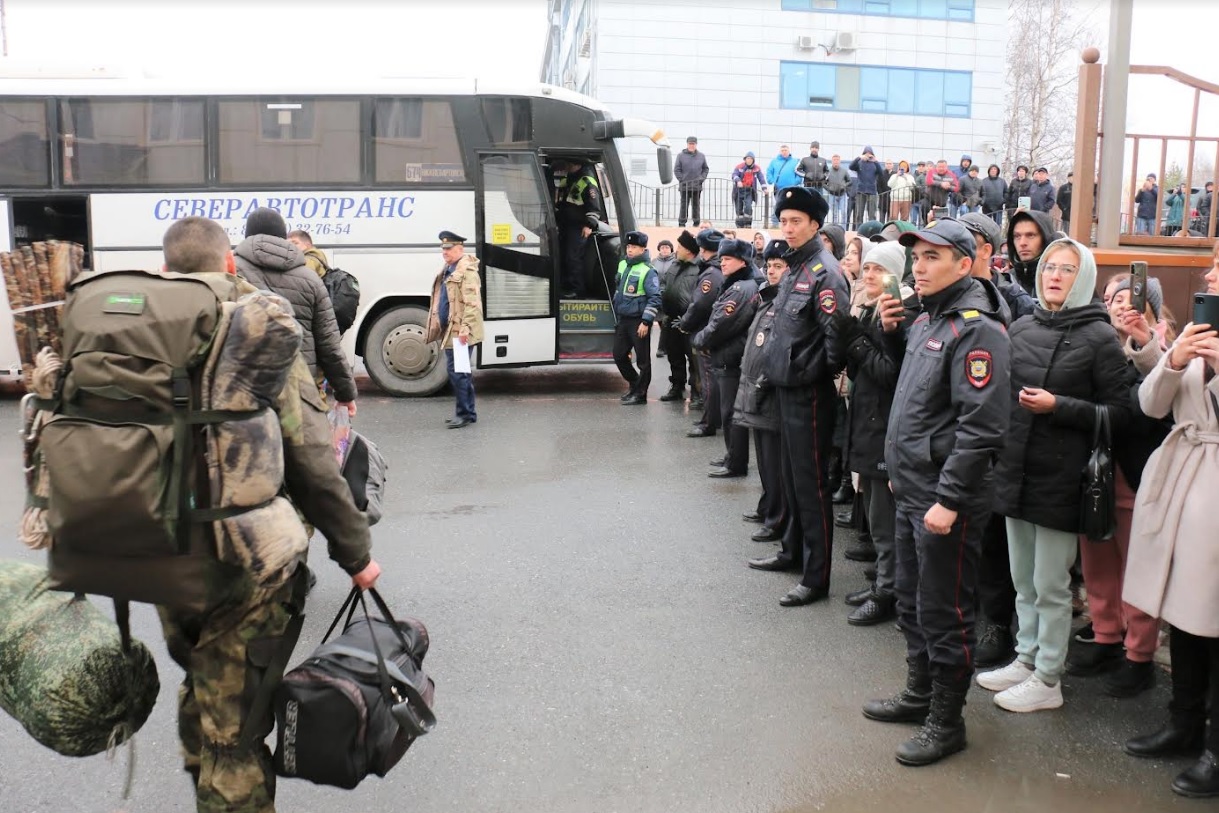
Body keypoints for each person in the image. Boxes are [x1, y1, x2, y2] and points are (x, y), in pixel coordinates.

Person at [158, 216, 381, 813]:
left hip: (159, 560)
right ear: (228, 265)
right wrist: (355, 553)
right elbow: (310, 458)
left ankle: (205, 779)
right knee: (238, 729)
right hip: (244, 560)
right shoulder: (254, 329)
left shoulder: (138, 328)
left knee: (202, 684)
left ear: (165, 270)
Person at [862, 219, 1010, 767]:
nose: (918, 267)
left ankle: (947, 722)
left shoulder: (977, 329)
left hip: (946, 500)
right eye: (916, 257)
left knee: (946, 610)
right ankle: (919, 693)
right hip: (912, 489)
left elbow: (981, 427)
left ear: (965, 264)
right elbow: (917, 399)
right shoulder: (930, 318)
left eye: (931, 258)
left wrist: (948, 500)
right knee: (912, 598)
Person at [977, 238, 1132, 714]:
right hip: (1015, 469)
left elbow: (1123, 413)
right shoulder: (1023, 325)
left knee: (1050, 583)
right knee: (1022, 577)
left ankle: (1048, 677)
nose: (1055, 275)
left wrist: (1058, 406)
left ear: (1083, 277)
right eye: (1049, 267)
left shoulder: (1099, 337)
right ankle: (1025, 659)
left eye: (1067, 269)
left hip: (1064, 478)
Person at [1121, 248, 1219, 798]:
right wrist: (1171, 357)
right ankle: (1184, 723)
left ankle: (1215, 746)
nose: (1209, 274)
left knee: (1215, 618)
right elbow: (1152, 405)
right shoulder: (1202, 327)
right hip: (1182, 479)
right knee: (1184, 613)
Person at [1064, 273, 1172, 696]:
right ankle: (1106, 634)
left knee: (1136, 566)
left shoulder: (1162, 347)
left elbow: (1155, 408)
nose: (1117, 305)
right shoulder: (1097, 343)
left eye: (1127, 296)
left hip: (1139, 470)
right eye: (1109, 297)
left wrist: (1141, 346)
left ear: (1150, 303)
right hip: (1097, 470)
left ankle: (1139, 652)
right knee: (1097, 560)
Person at [746, 187, 848, 608]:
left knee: (810, 486)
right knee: (789, 478)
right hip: (784, 389)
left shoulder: (825, 271)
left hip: (808, 394)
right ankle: (791, 552)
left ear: (814, 224)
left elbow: (836, 338)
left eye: (795, 221)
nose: (787, 229)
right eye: (783, 220)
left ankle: (816, 575)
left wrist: (808, 372)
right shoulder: (793, 269)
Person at [834, 241, 916, 626]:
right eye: (865, 269)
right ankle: (884, 584)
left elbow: (888, 373)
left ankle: (889, 593)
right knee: (876, 518)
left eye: (877, 271)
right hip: (868, 426)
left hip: (885, 430)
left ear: (896, 276)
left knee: (885, 524)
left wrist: (855, 342)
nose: (868, 276)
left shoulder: (903, 314)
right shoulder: (871, 310)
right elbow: (862, 369)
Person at [234, 207, 357, 415]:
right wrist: (345, 394)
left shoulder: (229, 272)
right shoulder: (310, 280)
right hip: (299, 395)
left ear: (247, 235)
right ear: (283, 237)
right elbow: (329, 345)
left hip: (242, 394)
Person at [735, 239, 790, 540]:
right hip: (754, 386)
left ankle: (776, 517)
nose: (771, 271)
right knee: (764, 459)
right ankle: (767, 505)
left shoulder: (783, 302)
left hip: (768, 390)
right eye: (769, 266)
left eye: (778, 266)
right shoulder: (767, 297)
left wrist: (761, 383)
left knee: (774, 461)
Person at [696, 239, 760, 476]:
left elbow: (721, 324)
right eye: (721, 259)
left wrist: (700, 339)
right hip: (727, 355)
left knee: (732, 413)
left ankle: (735, 462)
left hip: (730, 357)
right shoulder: (737, 285)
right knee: (729, 412)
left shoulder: (741, 289)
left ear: (742, 262)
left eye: (728, 259)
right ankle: (731, 456)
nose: (722, 263)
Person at [424, 230, 484, 427]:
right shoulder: (450, 268)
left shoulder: (466, 272)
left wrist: (465, 329)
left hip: (459, 331)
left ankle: (464, 414)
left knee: (457, 371)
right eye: (443, 249)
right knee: (461, 371)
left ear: (460, 249)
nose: (445, 252)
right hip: (452, 329)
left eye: (449, 249)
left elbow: (472, 304)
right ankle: (468, 412)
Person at [680, 229, 726, 434]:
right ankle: (713, 419)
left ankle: (709, 422)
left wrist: (685, 324)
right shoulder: (716, 270)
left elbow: (699, 305)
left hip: (706, 331)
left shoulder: (711, 273)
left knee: (708, 379)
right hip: (712, 330)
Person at [611, 231, 661, 406]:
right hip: (623, 319)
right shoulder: (623, 264)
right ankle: (634, 383)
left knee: (643, 361)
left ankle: (640, 394)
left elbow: (655, 298)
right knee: (618, 355)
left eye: (634, 247)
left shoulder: (648, 271)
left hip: (638, 321)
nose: (630, 250)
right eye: (628, 246)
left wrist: (646, 321)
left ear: (643, 249)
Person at [660, 232, 703, 404]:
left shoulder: (699, 268)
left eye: (680, 247)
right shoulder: (675, 264)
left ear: (689, 251)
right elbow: (664, 283)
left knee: (693, 359)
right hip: (671, 318)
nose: (676, 250)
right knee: (674, 355)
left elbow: (700, 296)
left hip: (689, 320)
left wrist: (689, 316)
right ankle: (677, 386)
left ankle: (697, 391)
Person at [554, 157, 601, 299]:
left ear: (576, 164)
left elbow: (594, 207)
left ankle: (577, 291)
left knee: (573, 258)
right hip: (566, 224)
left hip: (579, 227)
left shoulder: (587, 181)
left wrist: (589, 225)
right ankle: (566, 286)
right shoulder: (569, 178)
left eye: (567, 164)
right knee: (564, 256)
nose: (565, 166)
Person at [1005, 209, 1055, 294]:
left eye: (1030, 235)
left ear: (1045, 238)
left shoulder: (1057, 280)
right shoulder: (1006, 282)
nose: (1022, 243)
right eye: (1017, 236)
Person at [675, 137, 709, 228]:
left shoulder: (701, 156)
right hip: (684, 186)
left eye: (693, 144)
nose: (691, 145)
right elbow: (677, 169)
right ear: (687, 144)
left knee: (696, 205)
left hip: (697, 186)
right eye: (690, 144)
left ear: (696, 145)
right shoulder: (680, 155)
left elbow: (705, 169)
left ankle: (696, 223)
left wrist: (701, 179)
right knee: (683, 205)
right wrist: (682, 179)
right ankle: (682, 223)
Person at [766, 145, 801, 226]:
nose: (784, 152)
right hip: (778, 189)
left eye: (785, 150)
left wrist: (796, 182)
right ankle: (775, 224)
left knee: (791, 206)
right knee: (777, 205)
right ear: (780, 152)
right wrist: (772, 181)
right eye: (782, 150)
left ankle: (790, 224)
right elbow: (769, 172)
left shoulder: (795, 161)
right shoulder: (774, 162)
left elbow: (799, 173)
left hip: (792, 189)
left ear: (789, 151)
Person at [652, 240, 675, 360]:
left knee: (666, 321)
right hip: (656, 294)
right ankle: (667, 344)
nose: (664, 250)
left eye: (667, 247)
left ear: (671, 249)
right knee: (661, 320)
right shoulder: (654, 262)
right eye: (662, 247)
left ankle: (661, 348)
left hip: (669, 294)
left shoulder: (675, 262)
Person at [849, 147, 882, 226]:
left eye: (870, 153)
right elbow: (851, 167)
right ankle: (859, 231)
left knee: (872, 215)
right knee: (859, 214)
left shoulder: (874, 163)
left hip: (872, 191)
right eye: (866, 153)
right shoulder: (860, 162)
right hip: (861, 191)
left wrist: (876, 161)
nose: (868, 155)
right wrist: (859, 158)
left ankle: (871, 231)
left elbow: (881, 172)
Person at [825, 155, 851, 226]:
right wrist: (829, 189)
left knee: (844, 213)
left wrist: (844, 185)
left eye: (837, 160)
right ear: (832, 161)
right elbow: (823, 182)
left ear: (839, 161)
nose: (836, 162)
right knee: (834, 214)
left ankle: (843, 230)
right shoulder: (828, 171)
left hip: (843, 195)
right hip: (832, 195)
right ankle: (834, 230)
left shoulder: (844, 171)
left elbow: (849, 181)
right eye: (834, 160)